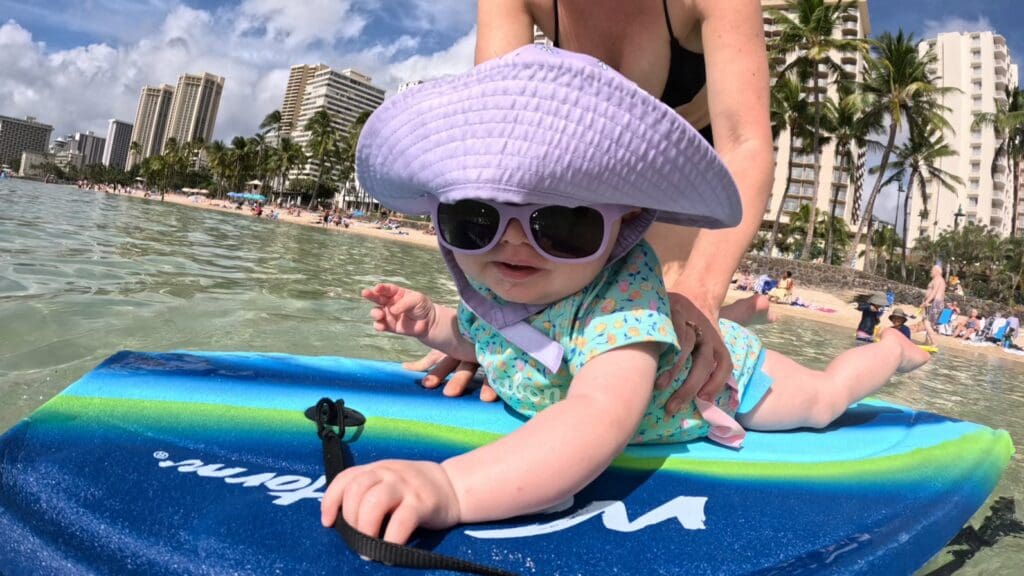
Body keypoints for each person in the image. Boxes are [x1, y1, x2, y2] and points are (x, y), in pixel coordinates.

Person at [322, 48, 930, 545]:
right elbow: (480, 340)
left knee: (821, 401)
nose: (511, 244)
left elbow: (596, 420)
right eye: (474, 220)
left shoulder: (622, 300)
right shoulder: (493, 290)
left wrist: (453, 489)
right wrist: (432, 322)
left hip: (718, 384)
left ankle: (891, 350)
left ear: (625, 225)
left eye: (560, 224)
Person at [406, 0, 774, 413]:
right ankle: (745, 311)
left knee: (668, 334)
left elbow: (745, 145)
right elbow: (499, 164)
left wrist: (701, 293)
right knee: (567, 307)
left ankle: (735, 316)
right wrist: (496, 326)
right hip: (586, 188)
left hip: (686, 175)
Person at [921, 264, 947, 332]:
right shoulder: (939, 279)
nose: (931, 272)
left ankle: (933, 341)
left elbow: (934, 291)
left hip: (935, 302)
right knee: (929, 322)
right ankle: (928, 341)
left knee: (928, 322)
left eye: (932, 270)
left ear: (937, 271)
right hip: (935, 302)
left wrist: (927, 301)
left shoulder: (938, 279)